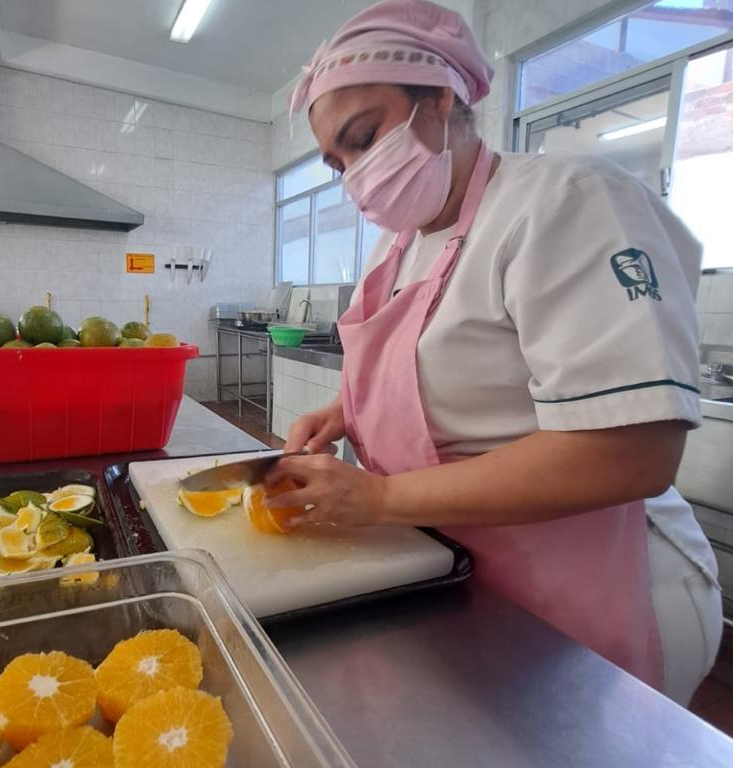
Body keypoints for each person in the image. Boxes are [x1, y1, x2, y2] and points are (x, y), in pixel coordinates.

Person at [270, 0, 721, 706]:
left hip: (599, 585)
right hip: (468, 571)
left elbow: (633, 452)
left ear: (439, 99)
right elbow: (442, 376)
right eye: (338, 162)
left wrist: (381, 498)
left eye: (363, 137)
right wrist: (345, 410)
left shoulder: (567, 202)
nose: (355, 174)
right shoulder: (398, 248)